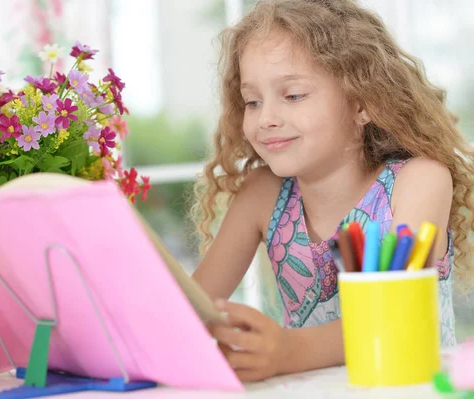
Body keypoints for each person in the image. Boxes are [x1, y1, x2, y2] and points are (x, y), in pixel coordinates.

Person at [190, 0, 474, 382]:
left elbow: (393, 315)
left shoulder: (419, 181)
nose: (267, 119)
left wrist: (288, 350)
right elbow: (190, 311)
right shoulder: (262, 195)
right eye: (252, 102)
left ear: (362, 103)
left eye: (293, 95)